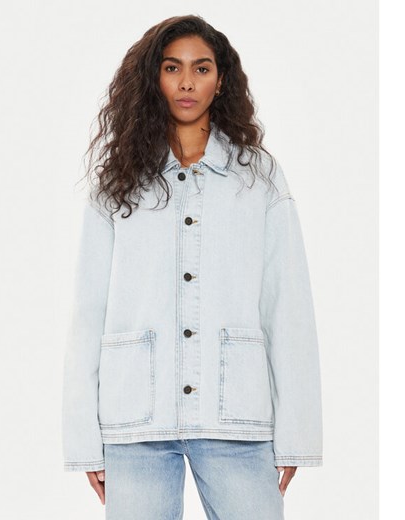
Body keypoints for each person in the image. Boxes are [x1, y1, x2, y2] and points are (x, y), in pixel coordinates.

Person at [62, 14, 323, 520]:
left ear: (220, 80)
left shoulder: (259, 177)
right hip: (135, 416)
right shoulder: (117, 181)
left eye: (201, 68)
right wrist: (83, 439)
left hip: (235, 414)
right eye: (172, 67)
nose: (186, 82)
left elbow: (287, 303)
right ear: (153, 78)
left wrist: (296, 433)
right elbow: (88, 311)